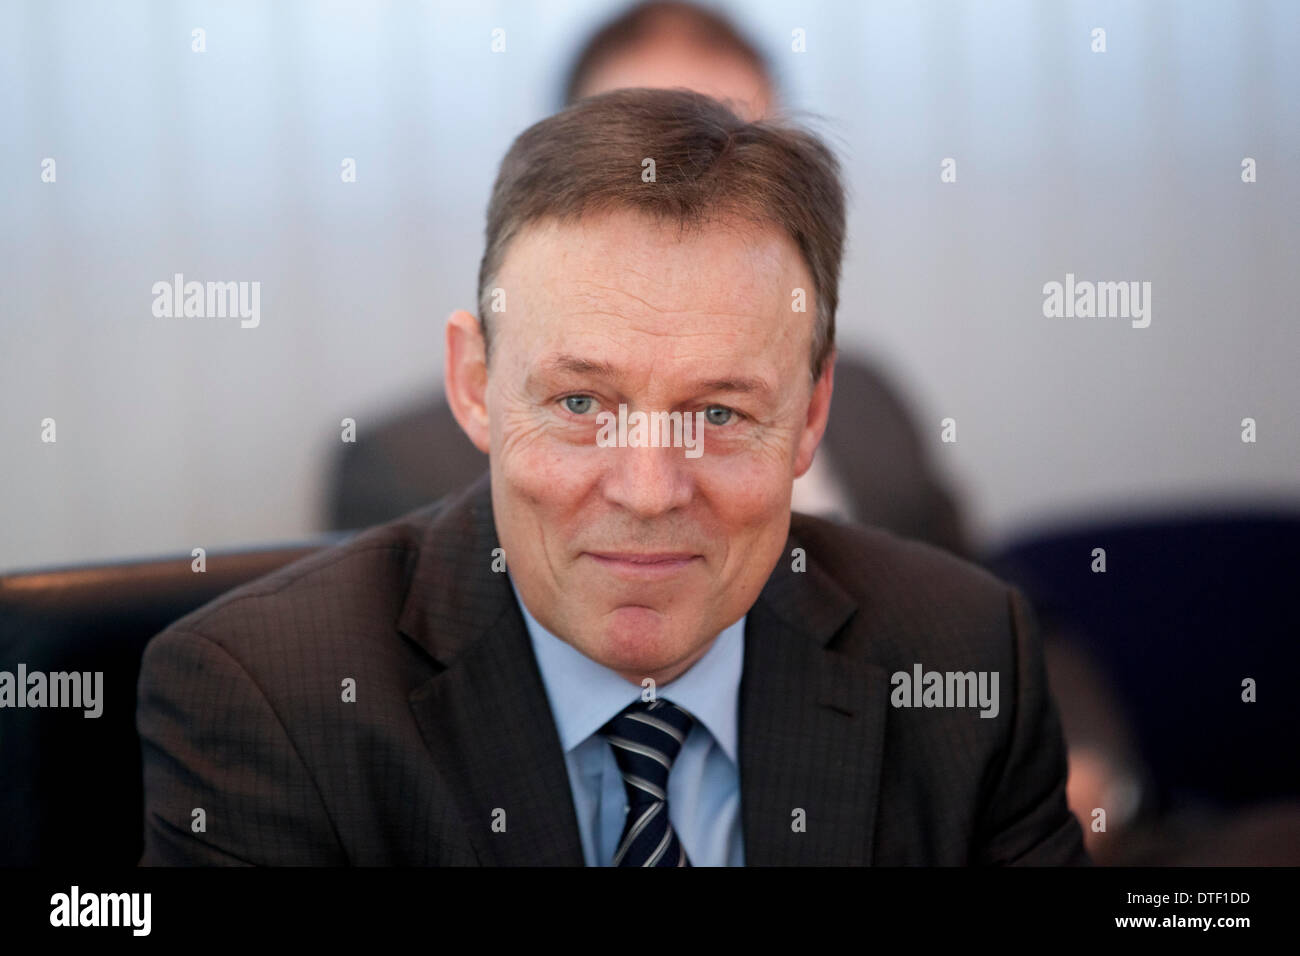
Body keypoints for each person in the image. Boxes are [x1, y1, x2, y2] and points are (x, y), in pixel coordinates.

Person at [137, 88, 1087, 866]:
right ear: (475, 385)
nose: (647, 491)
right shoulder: (271, 699)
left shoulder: (962, 658)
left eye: (719, 414)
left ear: (810, 414)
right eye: (583, 405)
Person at [328, 0, 971, 557]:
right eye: (641, 152)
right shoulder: (405, 464)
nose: (699, 186)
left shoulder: (869, 406)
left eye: (738, 144)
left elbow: (970, 621)